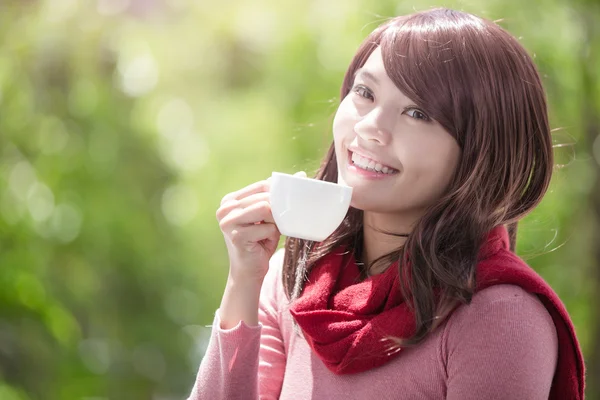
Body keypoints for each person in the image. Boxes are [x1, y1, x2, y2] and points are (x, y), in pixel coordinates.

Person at [188, 7, 585, 400]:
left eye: (417, 112)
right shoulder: (293, 277)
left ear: (482, 152)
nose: (370, 127)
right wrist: (243, 281)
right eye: (364, 92)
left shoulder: (498, 315)